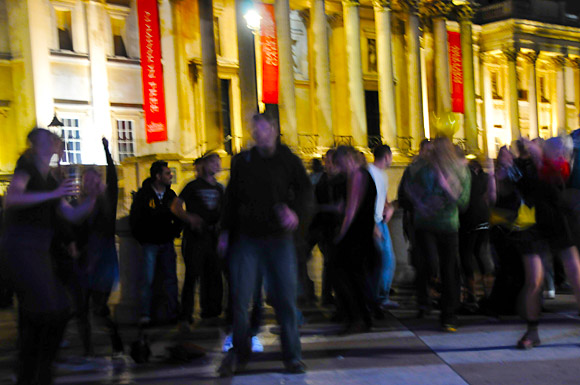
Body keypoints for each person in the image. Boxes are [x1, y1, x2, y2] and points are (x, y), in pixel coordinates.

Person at [0, 128, 98, 385]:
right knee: (52, 310)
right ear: (36, 145)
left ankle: (33, 372)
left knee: (51, 311)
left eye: (55, 140)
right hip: (20, 247)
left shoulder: (51, 180)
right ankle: (34, 371)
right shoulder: (27, 167)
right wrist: (54, 195)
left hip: (38, 250)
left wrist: (93, 198)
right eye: (48, 139)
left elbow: (72, 215)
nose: (54, 143)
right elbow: (11, 199)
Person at [217, 113, 312, 376]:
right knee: (240, 299)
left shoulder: (288, 159)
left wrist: (295, 213)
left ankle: (292, 356)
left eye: (263, 129)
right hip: (247, 238)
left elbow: (305, 191)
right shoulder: (243, 161)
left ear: (274, 129)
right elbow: (231, 198)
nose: (259, 135)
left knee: (285, 300)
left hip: (278, 238)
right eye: (255, 131)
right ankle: (240, 353)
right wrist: (225, 231)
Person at [404, 137, 471, 332]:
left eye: (439, 150)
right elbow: (410, 188)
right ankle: (431, 297)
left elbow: (462, 202)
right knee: (430, 264)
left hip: (448, 226)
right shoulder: (422, 169)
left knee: (450, 269)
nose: (435, 153)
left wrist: (446, 185)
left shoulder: (460, 170)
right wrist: (421, 204)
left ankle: (448, 315)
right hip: (425, 224)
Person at [72, 138, 123, 356]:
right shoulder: (77, 205)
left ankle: (116, 343)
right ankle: (87, 349)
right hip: (83, 259)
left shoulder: (107, 203)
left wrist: (107, 151)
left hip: (103, 260)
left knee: (100, 308)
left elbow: (112, 177)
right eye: (86, 180)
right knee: (81, 309)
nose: (89, 183)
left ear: (99, 182)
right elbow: (70, 229)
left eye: (93, 179)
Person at [171, 152, 224, 331]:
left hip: (213, 237)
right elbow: (176, 205)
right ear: (205, 165)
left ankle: (211, 313)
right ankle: (185, 316)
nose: (217, 165)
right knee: (192, 275)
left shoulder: (220, 188)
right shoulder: (192, 186)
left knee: (213, 275)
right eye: (213, 162)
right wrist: (189, 217)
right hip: (195, 236)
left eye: (219, 162)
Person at [332, 146, 380, 333]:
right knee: (355, 277)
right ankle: (362, 317)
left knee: (347, 275)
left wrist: (341, 235)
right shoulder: (363, 175)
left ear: (346, 159)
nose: (339, 168)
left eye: (339, 164)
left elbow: (351, 211)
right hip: (362, 234)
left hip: (355, 236)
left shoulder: (357, 176)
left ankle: (358, 317)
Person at [130, 160, 181, 326]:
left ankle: (173, 313)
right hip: (149, 243)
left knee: (171, 279)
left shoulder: (170, 195)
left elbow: (178, 214)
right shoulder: (144, 195)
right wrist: (142, 238)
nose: (171, 175)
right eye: (167, 173)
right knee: (147, 280)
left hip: (166, 242)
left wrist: (174, 232)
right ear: (157, 176)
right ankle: (145, 314)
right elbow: (135, 219)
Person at [367, 144, 398, 309]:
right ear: (387, 156)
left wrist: (389, 207)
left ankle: (381, 295)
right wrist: (373, 225)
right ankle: (377, 297)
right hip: (373, 222)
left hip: (380, 221)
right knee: (382, 260)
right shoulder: (369, 173)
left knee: (388, 260)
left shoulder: (383, 175)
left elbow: (383, 198)